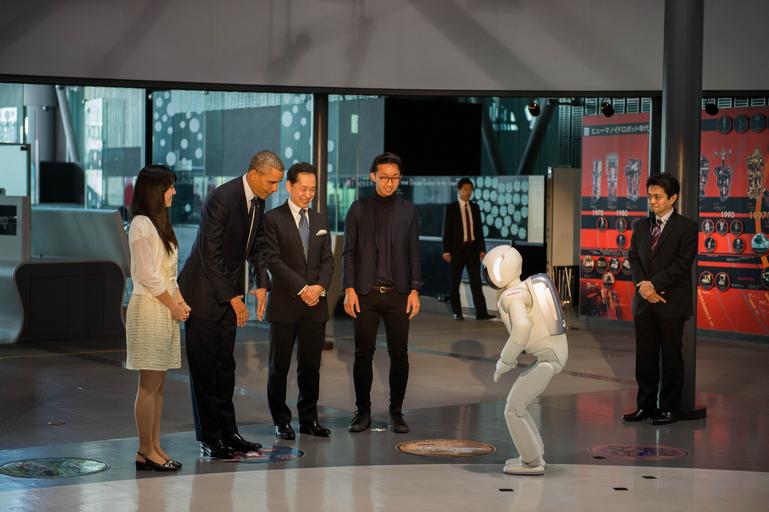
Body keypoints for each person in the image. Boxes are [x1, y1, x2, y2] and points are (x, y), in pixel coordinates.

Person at [178, 150, 284, 459]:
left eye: (278, 183)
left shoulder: (258, 201)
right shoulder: (222, 198)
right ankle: (210, 438)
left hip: (227, 294)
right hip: (203, 294)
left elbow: (256, 247)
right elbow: (210, 254)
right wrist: (234, 297)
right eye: (271, 182)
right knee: (205, 370)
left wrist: (261, 284)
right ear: (253, 175)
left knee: (225, 367)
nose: (275, 188)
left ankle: (229, 432)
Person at [343, 152, 423, 434]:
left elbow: (414, 251)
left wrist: (415, 289)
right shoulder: (358, 209)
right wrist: (349, 289)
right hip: (365, 293)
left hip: (398, 293)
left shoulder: (407, 210)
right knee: (363, 353)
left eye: (395, 178)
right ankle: (362, 412)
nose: (390, 183)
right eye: (384, 177)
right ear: (373, 176)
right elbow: (349, 252)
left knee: (399, 354)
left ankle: (396, 413)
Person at [261, 163, 334, 440]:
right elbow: (273, 261)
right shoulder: (273, 219)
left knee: (311, 367)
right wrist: (303, 288)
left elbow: (328, 260)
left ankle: (309, 419)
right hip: (286, 304)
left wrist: (319, 287)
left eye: (312, 189)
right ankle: (281, 421)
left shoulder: (319, 219)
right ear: (289, 186)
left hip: (316, 305)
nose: (308, 194)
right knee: (279, 368)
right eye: (303, 189)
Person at [482, 245, 568, 475]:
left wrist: (504, 361)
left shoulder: (512, 296)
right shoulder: (519, 290)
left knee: (513, 410)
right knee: (518, 407)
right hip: (549, 358)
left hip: (547, 361)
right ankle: (533, 456)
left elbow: (521, 328)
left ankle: (532, 462)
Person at [125, 165, 189, 472]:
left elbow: (168, 274)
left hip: (163, 307)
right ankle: (144, 450)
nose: (174, 192)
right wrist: (173, 305)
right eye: (169, 187)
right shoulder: (140, 224)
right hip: (149, 308)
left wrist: (180, 301)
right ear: (155, 190)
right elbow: (148, 276)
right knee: (148, 385)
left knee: (159, 385)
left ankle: (154, 446)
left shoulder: (159, 224)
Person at [624, 173, 697, 425]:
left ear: (673, 198)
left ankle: (669, 408)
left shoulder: (687, 227)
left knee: (671, 358)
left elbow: (681, 265)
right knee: (645, 358)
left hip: (671, 303)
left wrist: (653, 284)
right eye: (649, 196)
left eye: (657, 197)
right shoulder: (641, 226)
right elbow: (633, 257)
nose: (652, 201)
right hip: (644, 302)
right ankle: (645, 407)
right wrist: (643, 286)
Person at [441, 178, 493, 321]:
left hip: (472, 250)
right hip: (456, 250)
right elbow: (446, 230)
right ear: (459, 190)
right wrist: (446, 250)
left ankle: (481, 313)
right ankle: (457, 312)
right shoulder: (451, 208)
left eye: (470, 190)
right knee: (455, 282)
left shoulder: (474, 207)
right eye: (465, 189)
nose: (468, 192)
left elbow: (479, 231)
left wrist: (482, 249)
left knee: (476, 283)